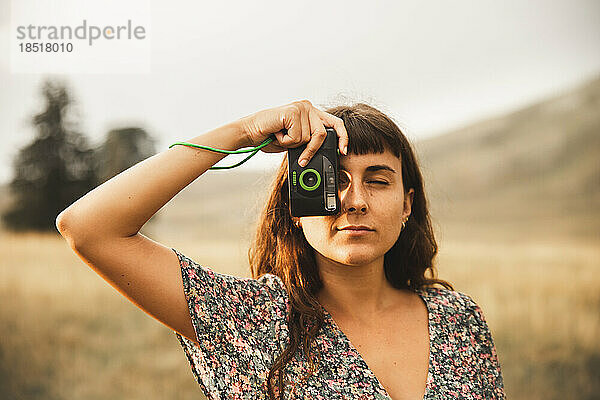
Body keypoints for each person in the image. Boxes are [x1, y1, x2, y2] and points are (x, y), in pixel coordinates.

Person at [56, 100, 506, 400]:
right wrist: (243, 131)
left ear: (408, 205)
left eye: (378, 179)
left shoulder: (458, 319)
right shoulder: (252, 322)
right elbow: (87, 228)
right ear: (294, 206)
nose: (355, 200)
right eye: (330, 180)